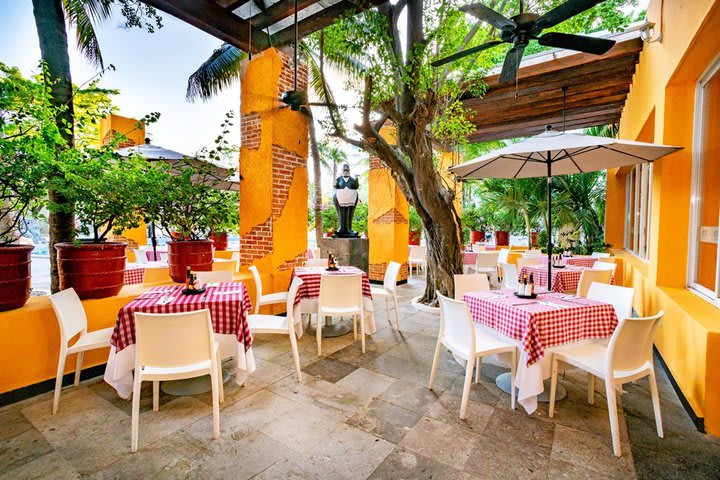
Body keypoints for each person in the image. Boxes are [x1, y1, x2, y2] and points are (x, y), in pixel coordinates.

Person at [332, 163, 360, 238]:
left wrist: (357, 178)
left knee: (349, 213)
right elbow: (336, 186)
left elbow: (356, 186)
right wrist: (335, 184)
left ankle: (349, 229)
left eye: (347, 170)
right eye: (344, 170)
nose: (346, 171)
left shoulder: (352, 179)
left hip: (351, 198)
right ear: (342, 171)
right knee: (341, 213)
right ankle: (341, 229)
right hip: (340, 198)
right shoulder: (338, 179)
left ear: (349, 171)